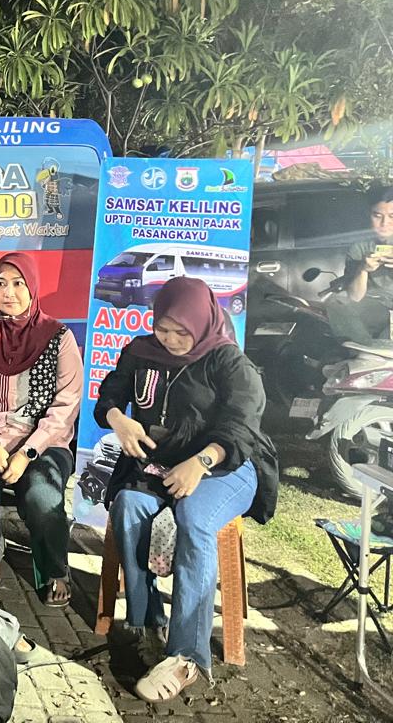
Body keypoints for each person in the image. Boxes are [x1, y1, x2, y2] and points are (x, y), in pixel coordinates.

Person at [94, 277, 278, 703]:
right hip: (160, 464)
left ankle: (187, 657)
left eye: (182, 331)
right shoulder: (140, 351)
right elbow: (110, 396)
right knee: (128, 505)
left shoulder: (228, 362)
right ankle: (147, 621)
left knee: (193, 517)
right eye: (163, 328)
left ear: (202, 322)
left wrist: (201, 462)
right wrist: (119, 420)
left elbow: (242, 429)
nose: (171, 340)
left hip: (226, 467)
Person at [0, 252, 83, 606]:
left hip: (45, 443)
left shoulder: (58, 337)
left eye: (18, 283)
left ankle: (53, 567)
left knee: (42, 498)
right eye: (0, 283)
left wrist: (27, 452)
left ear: (33, 287)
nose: (8, 292)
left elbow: (67, 404)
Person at [333, 184, 393, 341]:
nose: (384, 223)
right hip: (375, 311)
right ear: (369, 215)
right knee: (337, 306)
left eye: (392, 216)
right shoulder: (359, 247)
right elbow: (355, 297)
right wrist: (362, 269)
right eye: (377, 216)